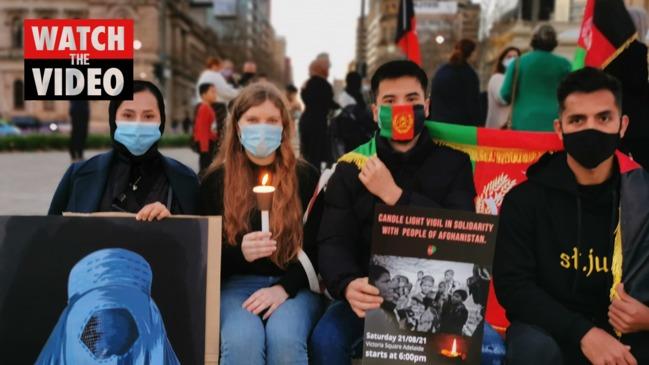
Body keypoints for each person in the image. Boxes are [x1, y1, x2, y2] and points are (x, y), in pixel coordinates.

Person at [310, 60, 476, 365]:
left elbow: (462, 235)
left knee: (490, 347)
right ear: (375, 112)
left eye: (411, 100)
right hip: (367, 300)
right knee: (325, 340)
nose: (402, 108)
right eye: (390, 101)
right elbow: (333, 240)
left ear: (426, 107)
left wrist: (396, 197)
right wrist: (347, 284)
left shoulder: (455, 164)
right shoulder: (351, 167)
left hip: (436, 308)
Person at [493, 67, 649, 365]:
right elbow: (514, 287)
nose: (591, 130)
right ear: (559, 128)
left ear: (623, 125)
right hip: (550, 331)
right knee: (532, 350)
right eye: (577, 120)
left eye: (603, 118)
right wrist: (584, 333)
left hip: (630, 333)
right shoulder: (524, 200)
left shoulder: (642, 197)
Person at [198, 82, 322, 365]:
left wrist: (284, 288)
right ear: (238, 127)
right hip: (235, 284)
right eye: (252, 120)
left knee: (286, 339)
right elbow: (203, 254)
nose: (262, 128)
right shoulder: (215, 182)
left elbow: (319, 246)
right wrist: (237, 252)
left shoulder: (305, 177)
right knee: (243, 341)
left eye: (271, 121)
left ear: (284, 127)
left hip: (295, 285)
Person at [49, 80, 199, 218]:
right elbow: (51, 238)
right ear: (113, 118)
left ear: (161, 120)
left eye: (148, 116)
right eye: (128, 115)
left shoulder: (186, 180)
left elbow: (201, 240)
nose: (138, 124)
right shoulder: (78, 175)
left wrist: (174, 224)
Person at [500, 24, 572, 131]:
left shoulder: (517, 63)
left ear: (533, 40)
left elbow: (505, 94)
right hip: (555, 124)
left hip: (522, 123)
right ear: (554, 42)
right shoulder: (564, 64)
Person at [606, 6, 649, 169]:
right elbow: (638, 83)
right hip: (637, 118)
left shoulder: (609, 49)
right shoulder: (638, 49)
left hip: (612, 113)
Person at [428, 39, 481, 126]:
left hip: (437, 125)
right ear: (471, 54)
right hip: (459, 129)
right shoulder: (469, 74)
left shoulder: (441, 71)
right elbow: (473, 105)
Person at [299, 57, 338, 169]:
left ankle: (304, 177)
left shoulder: (306, 84)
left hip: (305, 120)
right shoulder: (326, 85)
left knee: (305, 153)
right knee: (315, 156)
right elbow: (329, 103)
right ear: (322, 70)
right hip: (318, 123)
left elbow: (305, 97)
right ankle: (314, 179)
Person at [331, 71, 376, 155]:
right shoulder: (349, 98)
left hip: (351, 137)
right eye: (358, 82)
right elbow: (361, 117)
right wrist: (375, 126)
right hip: (353, 138)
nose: (360, 85)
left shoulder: (347, 95)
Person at [485, 46, 521, 129]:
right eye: (509, 57)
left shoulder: (519, 80)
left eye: (515, 57)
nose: (512, 60)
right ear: (502, 61)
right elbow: (502, 99)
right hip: (497, 128)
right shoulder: (497, 78)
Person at [194, 83, 218, 173]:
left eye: (215, 92)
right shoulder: (204, 108)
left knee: (207, 166)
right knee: (205, 167)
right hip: (205, 143)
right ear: (204, 95)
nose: (215, 94)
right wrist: (204, 147)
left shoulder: (209, 108)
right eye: (212, 92)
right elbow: (202, 128)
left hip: (209, 142)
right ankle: (203, 184)